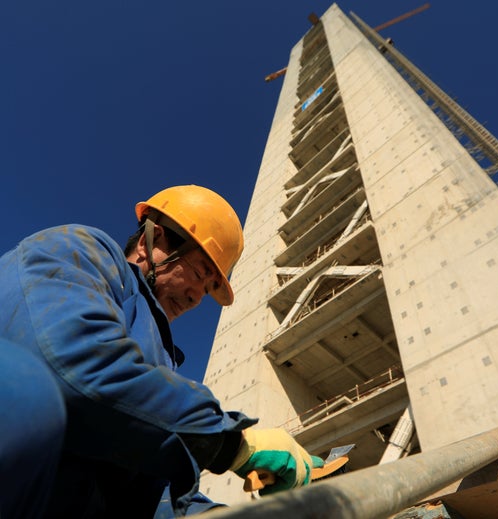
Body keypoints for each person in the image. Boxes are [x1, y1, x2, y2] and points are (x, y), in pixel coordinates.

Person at [0, 185, 319, 518]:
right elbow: (66, 365)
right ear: (148, 243)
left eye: (208, 288)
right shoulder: (77, 250)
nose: (197, 297)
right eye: (198, 273)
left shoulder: (159, 364)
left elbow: (150, 494)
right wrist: (232, 444)